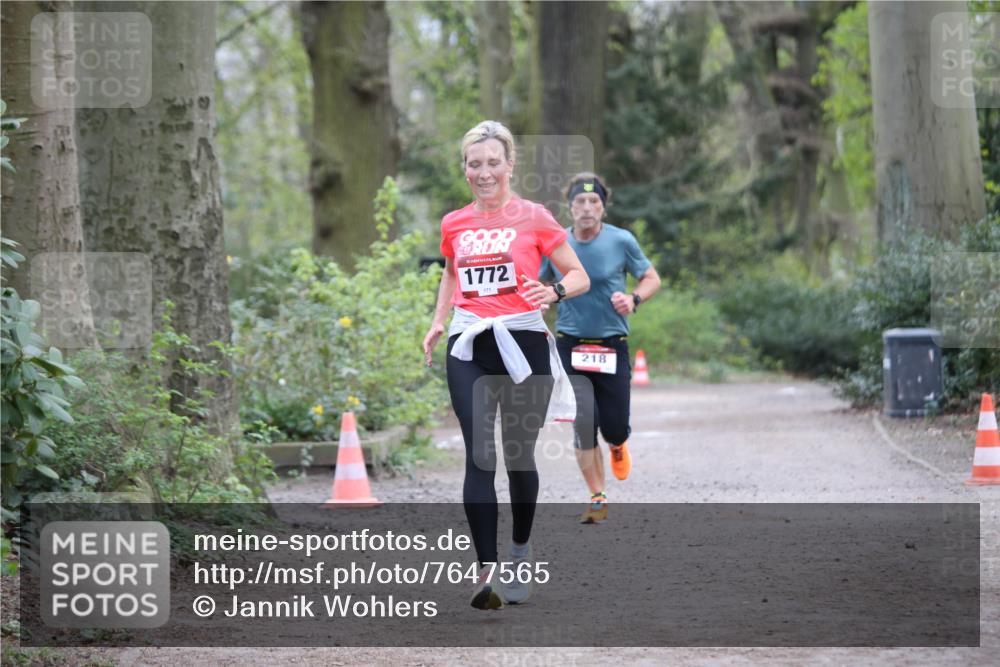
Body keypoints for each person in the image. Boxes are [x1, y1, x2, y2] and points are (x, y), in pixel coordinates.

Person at [422, 121, 589, 610]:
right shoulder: (454, 222)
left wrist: (553, 291)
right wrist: (438, 320)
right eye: (475, 164)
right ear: (465, 169)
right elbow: (452, 273)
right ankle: (486, 574)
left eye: (494, 163)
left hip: (524, 344)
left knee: (518, 457)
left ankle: (519, 551)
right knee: (479, 455)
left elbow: (577, 275)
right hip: (469, 343)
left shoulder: (534, 217)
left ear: (510, 165)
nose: (485, 172)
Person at [539, 172, 661, 524]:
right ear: (570, 207)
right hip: (570, 345)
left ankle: (618, 444)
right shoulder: (558, 242)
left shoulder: (621, 241)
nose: (587, 208)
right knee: (582, 421)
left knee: (614, 426)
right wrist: (543, 296)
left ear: (604, 208)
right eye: (580, 202)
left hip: (612, 345)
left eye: (594, 202)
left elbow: (652, 277)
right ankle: (597, 496)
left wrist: (634, 298)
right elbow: (539, 277)